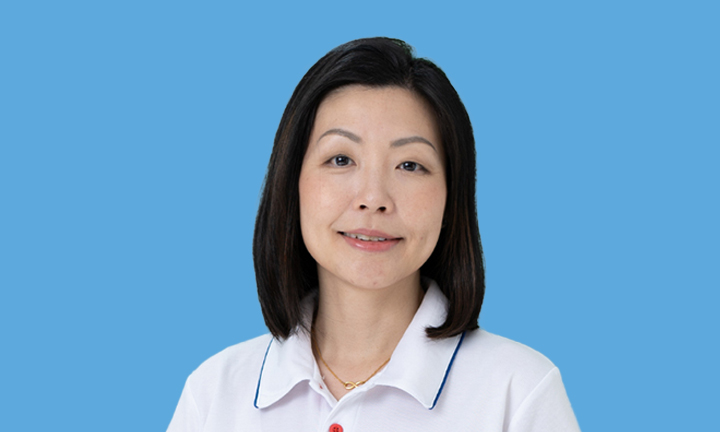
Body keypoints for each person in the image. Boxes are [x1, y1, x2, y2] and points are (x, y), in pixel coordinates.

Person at [167, 37, 580, 431]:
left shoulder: (518, 393)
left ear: (450, 198)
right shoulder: (214, 394)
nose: (373, 198)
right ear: (292, 184)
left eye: (410, 165)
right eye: (341, 159)